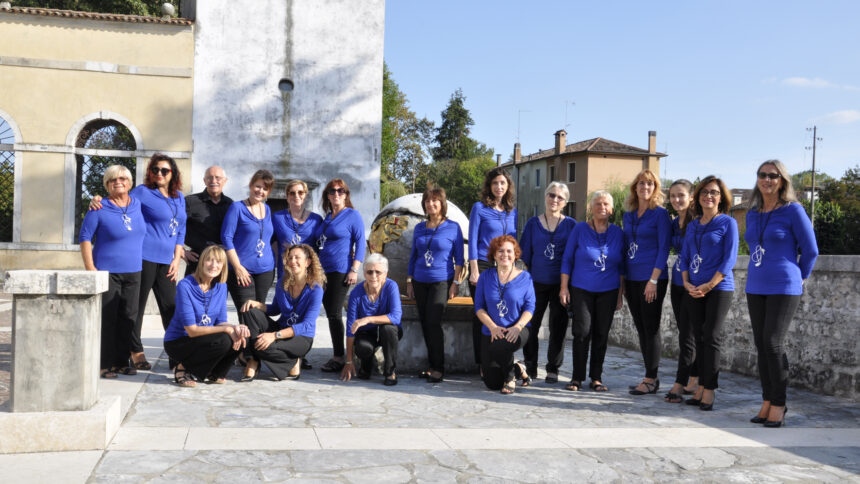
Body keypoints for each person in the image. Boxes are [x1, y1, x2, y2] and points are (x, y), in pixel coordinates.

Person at [90, 154, 187, 371]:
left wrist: (177, 256)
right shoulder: (143, 192)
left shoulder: (179, 197)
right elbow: (119, 200)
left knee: (171, 308)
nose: (159, 174)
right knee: (135, 310)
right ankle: (136, 352)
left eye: (164, 170)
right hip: (143, 258)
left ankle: (177, 356)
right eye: (155, 170)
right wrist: (96, 199)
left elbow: (181, 229)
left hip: (167, 262)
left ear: (173, 173)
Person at [745, 160, 818, 427]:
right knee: (761, 345)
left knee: (773, 343)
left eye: (773, 176)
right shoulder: (753, 213)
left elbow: (810, 250)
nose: (767, 180)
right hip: (755, 285)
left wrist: (801, 276)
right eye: (762, 175)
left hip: (784, 285)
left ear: (782, 180)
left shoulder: (793, 211)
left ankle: (779, 403)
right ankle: (766, 400)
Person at [79, 165, 146, 378]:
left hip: (134, 271)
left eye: (122, 178)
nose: (118, 182)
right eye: (112, 180)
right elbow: (85, 237)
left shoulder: (137, 204)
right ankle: (104, 364)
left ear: (130, 182)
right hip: (107, 272)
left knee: (128, 318)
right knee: (108, 319)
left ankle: (121, 362)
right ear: (107, 184)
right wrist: (91, 268)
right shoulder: (99, 207)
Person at [679, 176, 738, 411]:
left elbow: (730, 258)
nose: (708, 196)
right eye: (704, 192)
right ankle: (701, 386)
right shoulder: (693, 225)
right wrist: (686, 283)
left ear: (721, 197)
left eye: (713, 192)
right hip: (693, 288)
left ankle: (710, 389)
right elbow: (684, 256)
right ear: (698, 197)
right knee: (699, 338)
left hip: (719, 288)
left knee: (711, 337)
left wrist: (710, 285)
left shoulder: (727, 223)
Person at [559, 190, 625, 392]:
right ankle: (577, 377)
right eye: (598, 203)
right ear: (591, 208)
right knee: (582, 332)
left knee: (601, 334)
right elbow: (567, 259)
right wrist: (564, 287)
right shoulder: (579, 230)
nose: (602, 207)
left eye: (606, 204)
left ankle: (596, 377)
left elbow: (622, 266)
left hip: (609, 290)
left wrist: (620, 294)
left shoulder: (618, 233)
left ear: (611, 209)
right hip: (581, 289)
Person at [163, 246, 250, 387]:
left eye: (219, 262)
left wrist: (235, 327)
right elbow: (191, 330)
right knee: (223, 339)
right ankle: (182, 368)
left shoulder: (221, 286)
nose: (214, 265)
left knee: (240, 336)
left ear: (223, 266)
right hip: (180, 341)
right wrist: (226, 330)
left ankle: (214, 372)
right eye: (210, 260)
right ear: (202, 262)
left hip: (202, 339)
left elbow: (221, 322)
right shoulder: (185, 286)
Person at [239, 244, 325, 381]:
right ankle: (254, 360)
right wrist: (258, 305)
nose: (292, 261)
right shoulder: (282, 283)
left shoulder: (316, 289)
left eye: (297, 258)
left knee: (263, 346)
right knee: (249, 311)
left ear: (307, 262)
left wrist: (274, 335)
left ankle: (293, 360)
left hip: (301, 337)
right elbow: (275, 309)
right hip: (281, 328)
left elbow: (307, 325)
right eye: (290, 258)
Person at [406, 186, 464, 383]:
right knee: (425, 323)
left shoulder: (453, 227)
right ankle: (431, 365)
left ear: (442, 203)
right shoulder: (419, 228)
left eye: (434, 201)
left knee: (433, 322)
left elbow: (459, 259)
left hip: (441, 281)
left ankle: (439, 368)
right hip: (420, 280)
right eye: (427, 201)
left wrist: (455, 283)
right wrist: (409, 281)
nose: (430, 204)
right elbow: (413, 255)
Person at [519, 181, 576, 382]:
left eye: (559, 197)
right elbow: (524, 256)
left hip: (561, 285)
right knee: (530, 326)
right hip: (535, 284)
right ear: (545, 197)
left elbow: (574, 255)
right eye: (551, 195)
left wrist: (567, 287)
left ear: (565, 202)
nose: (554, 199)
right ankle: (531, 366)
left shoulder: (571, 225)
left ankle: (553, 368)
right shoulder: (533, 224)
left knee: (558, 327)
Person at [622, 169, 672, 396]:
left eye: (650, 184)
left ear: (655, 188)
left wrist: (653, 280)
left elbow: (664, 248)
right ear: (635, 187)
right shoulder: (628, 215)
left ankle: (651, 378)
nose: (645, 187)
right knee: (641, 328)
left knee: (651, 329)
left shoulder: (660, 214)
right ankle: (649, 376)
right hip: (632, 278)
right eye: (641, 183)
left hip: (652, 279)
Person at [315, 179, 366, 373]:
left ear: (346, 194)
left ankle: (339, 356)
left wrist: (354, 269)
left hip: (340, 270)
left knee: (335, 313)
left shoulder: (352, 216)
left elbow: (360, 244)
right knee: (327, 312)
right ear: (327, 195)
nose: (336, 194)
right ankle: (336, 353)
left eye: (340, 191)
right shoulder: (327, 217)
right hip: (322, 271)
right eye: (332, 191)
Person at [468, 167, 517, 367]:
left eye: (503, 183)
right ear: (489, 186)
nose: (499, 187)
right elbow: (472, 240)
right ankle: (482, 363)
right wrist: (473, 269)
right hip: (483, 264)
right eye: (495, 183)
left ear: (508, 187)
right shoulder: (479, 208)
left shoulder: (511, 211)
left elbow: (513, 242)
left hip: (504, 267)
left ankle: (498, 359)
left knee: (500, 312)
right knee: (482, 313)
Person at [474, 235, 535, 394]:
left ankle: (509, 378)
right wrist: (493, 327)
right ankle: (518, 368)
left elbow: (530, 307)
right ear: (494, 255)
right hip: (492, 331)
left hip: (518, 329)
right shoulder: (485, 277)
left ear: (515, 254)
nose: (505, 255)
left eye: (509, 251)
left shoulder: (525, 277)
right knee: (492, 383)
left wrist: (517, 327)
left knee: (499, 347)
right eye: (500, 251)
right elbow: (479, 307)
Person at [221, 170, 276, 326]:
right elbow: (226, 238)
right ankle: (246, 349)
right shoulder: (237, 207)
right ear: (251, 185)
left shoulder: (268, 209)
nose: (260, 191)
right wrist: (237, 267)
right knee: (246, 313)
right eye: (258, 186)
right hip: (242, 271)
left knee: (259, 311)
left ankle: (258, 348)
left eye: (265, 189)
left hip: (266, 270)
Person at [340, 254, 402, 386]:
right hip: (366, 333)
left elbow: (396, 317)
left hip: (387, 330)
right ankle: (366, 366)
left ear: (385, 273)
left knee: (388, 329)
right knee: (363, 347)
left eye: (378, 272)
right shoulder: (356, 293)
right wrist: (349, 361)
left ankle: (390, 371)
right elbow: (351, 328)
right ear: (364, 273)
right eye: (369, 272)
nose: (373, 276)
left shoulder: (391, 286)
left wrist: (368, 319)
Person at [664, 179, 699, 403]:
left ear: (691, 197)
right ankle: (694, 378)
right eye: (673, 196)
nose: (677, 200)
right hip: (677, 281)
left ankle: (682, 381)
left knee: (689, 335)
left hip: (694, 282)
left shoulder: (698, 221)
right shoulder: (674, 222)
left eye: (681, 195)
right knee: (685, 333)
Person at [184, 166, 233, 276]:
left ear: (225, 181)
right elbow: (172, 227)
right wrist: (182, 252)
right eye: (210, 178)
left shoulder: (231, 205)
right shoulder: (190, 202)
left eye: (218, 178)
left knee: (219, 293)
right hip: (196, 262)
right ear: (204, 180)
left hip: (221, 263)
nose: (214, 181)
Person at [272, 179, 323, 279]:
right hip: (286, 272)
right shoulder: (277, 218)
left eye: (300, 192)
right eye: (292, 193)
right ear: (287, 197)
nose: (296, 196)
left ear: (306, 195)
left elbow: (323, 245)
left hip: (309, 273)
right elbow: (266, 240)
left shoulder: (316, 220)